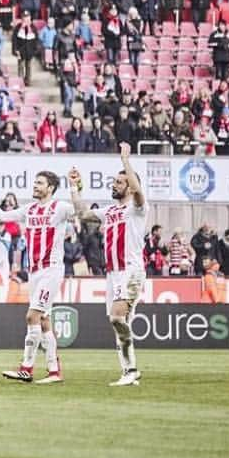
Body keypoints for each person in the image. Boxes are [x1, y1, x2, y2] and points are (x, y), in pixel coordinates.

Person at [0, 171, 75, 384]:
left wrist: (76, 188)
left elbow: (79, 210)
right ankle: (54, 371)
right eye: (35, 182)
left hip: (51, 270)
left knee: (32, 316)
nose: (35, 186)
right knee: (44, 321)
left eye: (40, 183)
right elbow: (2, 216)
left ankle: (26, 369)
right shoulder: (29, 209)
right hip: (35, 272)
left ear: (50, 187)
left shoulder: (59, 208)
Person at [68, 143, 147, 387]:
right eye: (113, 182)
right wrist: (74, 187)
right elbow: (83, 214)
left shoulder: (138, 208)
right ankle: (129, 371)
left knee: (116, 318)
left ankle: (131, 369)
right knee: (119, 324)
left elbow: (137, 189)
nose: (114, 184)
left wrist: (125, 160)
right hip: (112, 274)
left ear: (131, 188)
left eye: (119, 182)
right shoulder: (110, 210)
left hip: (130, 271)